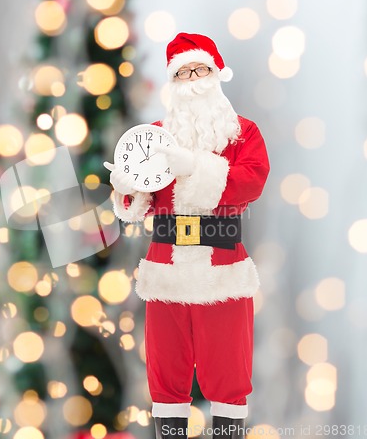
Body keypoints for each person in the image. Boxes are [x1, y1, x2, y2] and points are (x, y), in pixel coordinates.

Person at [104, 32, 270, 439]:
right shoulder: (154, 137)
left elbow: (250, 182)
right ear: (173, 83)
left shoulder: (242, 132)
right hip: (167, 270)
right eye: (183, 72)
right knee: (166, 372)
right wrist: (126, 189)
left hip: (222, 269)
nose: (193, 78)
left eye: (200, 69)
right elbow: (139, 202)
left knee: (230, 371)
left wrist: (194, 166)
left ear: (216, 74)